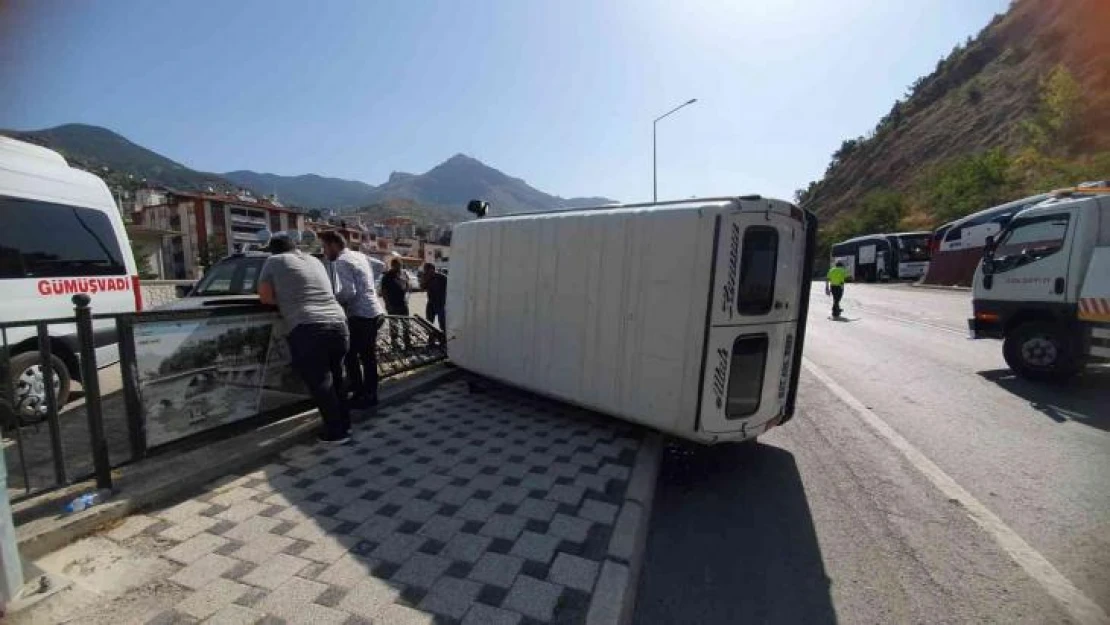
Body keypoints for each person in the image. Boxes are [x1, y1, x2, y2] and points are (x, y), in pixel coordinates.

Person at [258, 234, 351, 444]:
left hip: (308, 326)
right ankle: (345, 424)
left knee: (321, 383)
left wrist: (285, 300)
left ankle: (336, 433)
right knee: (337, 378)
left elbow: (265, 297)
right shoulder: (314, 260)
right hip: (339, 324)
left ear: (273, 250)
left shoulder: (273, 261)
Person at [320, 231, 385, 409]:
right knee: (368, 356)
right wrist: (369, 287)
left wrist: (331, 300)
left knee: (350, 355)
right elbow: (380, 265)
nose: (324, 252)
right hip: (375, 311)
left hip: (359, 315)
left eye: (324, 247)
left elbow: (349, 293)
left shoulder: (341, 261)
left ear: (333, 245)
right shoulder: (358, 255)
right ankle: (371, 394)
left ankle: (359, 394)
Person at [380, 258, 411, 350]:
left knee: (406, 324)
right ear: (393, 265)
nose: (399, 267)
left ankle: (407, 343)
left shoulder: (403, 274)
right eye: (397, 265)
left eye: (400, 265)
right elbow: (384, 291)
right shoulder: (387, 276)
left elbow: (408, 284)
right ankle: (395, 344)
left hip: (403, 304)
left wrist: (407, 289)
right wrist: (387, 304)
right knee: (394, 325)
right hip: (392, 305)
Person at [420, 262, 447, 336]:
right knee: (429, 323)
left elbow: (449, 289)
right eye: (425, 270)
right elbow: (422, 289)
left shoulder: (442, 277)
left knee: (442, 323)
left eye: (427, 270)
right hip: (431, 303)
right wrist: (425, 280)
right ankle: (431, 340)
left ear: (433, 269)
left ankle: (443, 339)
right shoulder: (426, 277)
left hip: (440, 303)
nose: (426, 272)